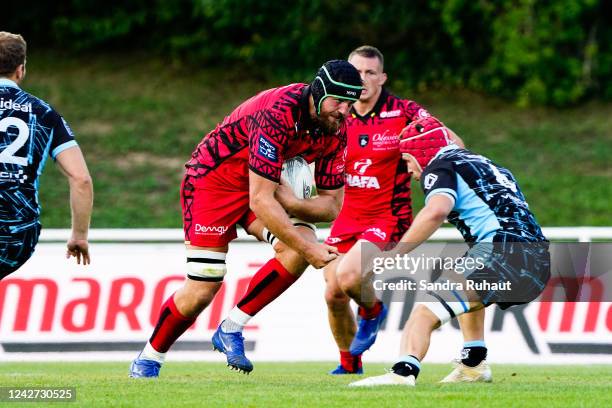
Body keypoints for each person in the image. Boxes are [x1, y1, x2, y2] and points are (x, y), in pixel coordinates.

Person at [129, 60, 363, 378]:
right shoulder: (279, 113)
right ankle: (149, 358)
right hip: (215, 181)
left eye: (352, 103)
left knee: (299, 247)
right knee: (204, 283)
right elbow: (260, 199)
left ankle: (231, 327)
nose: (345, 110)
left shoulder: (336, 131)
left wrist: (294, 204)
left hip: (266, 186)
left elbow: (332, 205)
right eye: (339, 101)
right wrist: (310, 249)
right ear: (318, 92)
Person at [323, 45, 490, 382]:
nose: (364, 79)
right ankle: (350, 362)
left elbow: (451, 141)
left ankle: (372, 310)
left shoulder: (404, 111)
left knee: (350, 277)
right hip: (347, 214)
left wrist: (433, 169)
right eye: (357, 73)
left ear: (382, 78)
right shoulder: (337, 112)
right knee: (333, 293)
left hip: (387, 217)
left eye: (371, 73)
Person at [349, 116, 550, 387]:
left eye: (408, 160)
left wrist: (396, 253)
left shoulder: (440, 166)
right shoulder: (484, 163)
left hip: (502, 253)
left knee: (423, 313)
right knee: (465, 288)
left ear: (420, 151)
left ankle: (402, 373)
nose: (410, 171)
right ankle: (474, 365)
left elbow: (436, 211)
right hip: (537, 261)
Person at [0, 32, 92, 280]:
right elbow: (81, 178)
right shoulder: (44, 113)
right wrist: (79, 236)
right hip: (17, 233)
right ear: (20, 70)